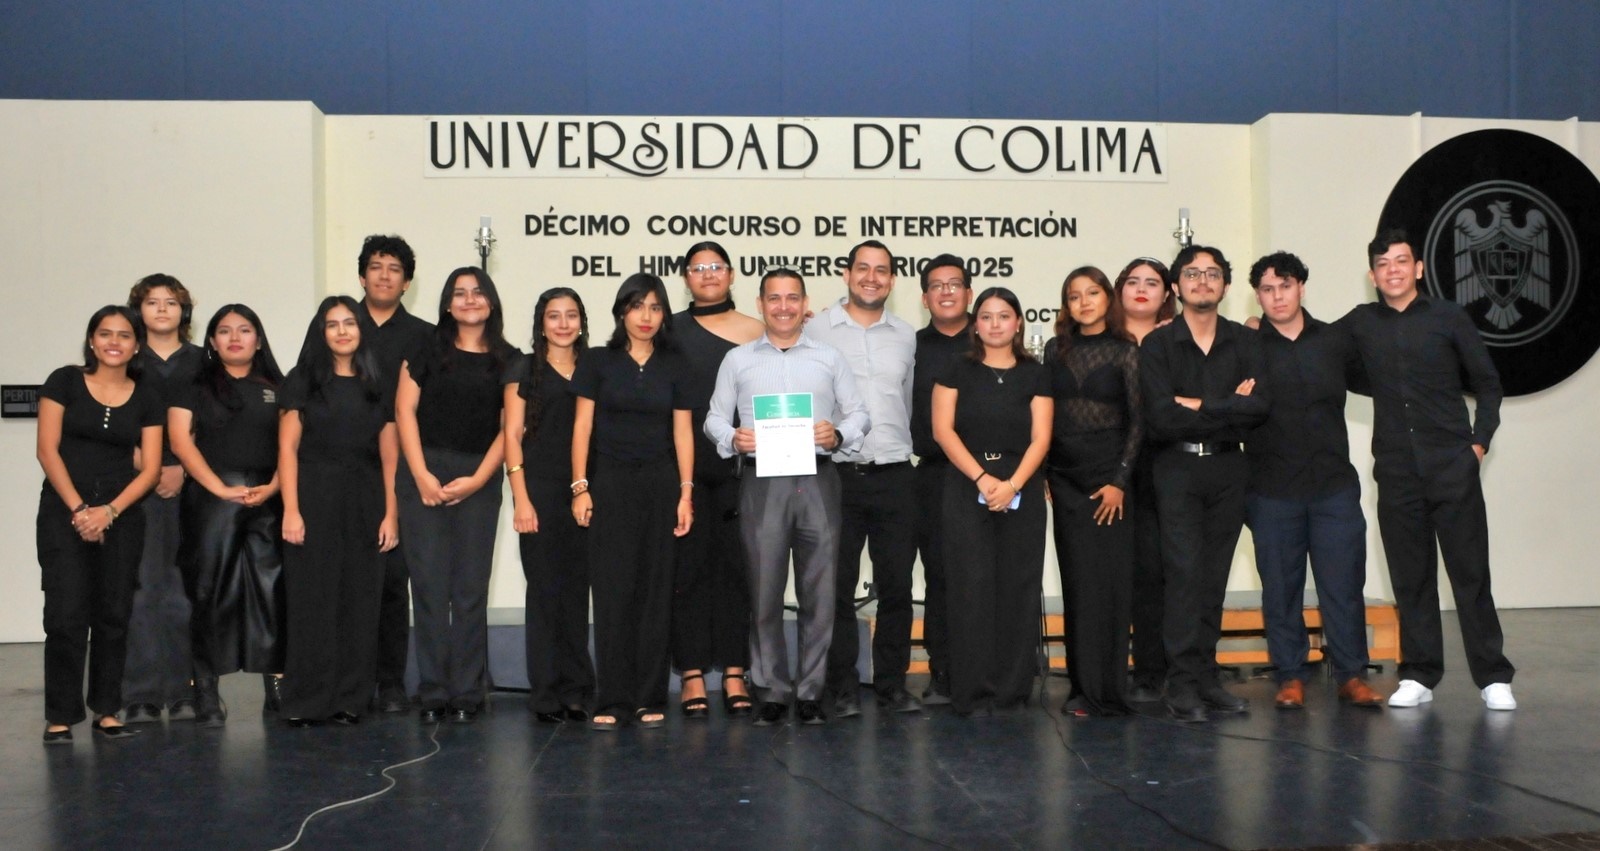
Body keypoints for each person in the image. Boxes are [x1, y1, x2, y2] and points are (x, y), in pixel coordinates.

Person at [1341, 229, 1515, 711]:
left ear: (1417, 268)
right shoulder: (1361, 323)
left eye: (1401, 261)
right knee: (1410, 576)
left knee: (1470, 574)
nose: (1392, 269)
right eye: (1383, 263)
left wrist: (1477, 445)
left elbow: (1488, 384)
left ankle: (1493, 676)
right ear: (1372, 274)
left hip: (1451, 466)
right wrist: (1255, 325)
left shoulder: (1448, 317)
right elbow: (1310, 342)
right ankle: (1419, 674)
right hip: (1396, 470)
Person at [705, 269, 869, 726]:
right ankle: (773, 690)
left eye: (792, 298)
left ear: (804, 303)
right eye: (774, 298)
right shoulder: (737, 360)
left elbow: (860, 414)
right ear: (759, 304)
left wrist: (838, 433)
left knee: (821, 592)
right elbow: (714, 419)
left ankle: (812, 691)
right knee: (764, 592)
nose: (783, 306)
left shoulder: (829, 358)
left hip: (818, 479)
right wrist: (733, 438)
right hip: (762, 483)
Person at [1245, 252, 1385, 710]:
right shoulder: (1246, 347)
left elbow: (1384, 379)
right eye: (1267, 289)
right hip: (1271, 489)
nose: (1277, 296)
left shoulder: (1334, 341)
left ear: (1302, 287)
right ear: (1258, 296)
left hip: (1333, 488)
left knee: (1343, 585)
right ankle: (1290, 675)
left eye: (1285, 286)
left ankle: (1351, 674)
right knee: (1280, 588)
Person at [1140, 246, 1268, 722]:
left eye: (1212, 274)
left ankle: (1208, 677)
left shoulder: (1245, 342)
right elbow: (1159, 417)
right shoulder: (1157, 344)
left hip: (1228, 470)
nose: (1202, 281)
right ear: (1176, 286)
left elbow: (1258, 408)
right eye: (1191, 274)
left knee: (1214, 575)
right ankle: (1182, 683)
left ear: (1226, 287)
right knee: (1183, 575)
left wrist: (1194, 405)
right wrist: (1224, 405)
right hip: (1175, 470)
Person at [570, 273, 694, 731]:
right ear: (622, 310)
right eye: (638, 306)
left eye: (656, 307)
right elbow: (582, 428)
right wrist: (580, 487)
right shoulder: (598, 361)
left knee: (655, 593)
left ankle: (647, 697)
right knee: (612, 590)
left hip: (662, 486)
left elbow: (682, 431)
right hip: (611, 486)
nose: (646, 317)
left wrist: (686, 492)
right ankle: (614, 696)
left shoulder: (675, 363)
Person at [396, 266, 519, 724]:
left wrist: (482, 477)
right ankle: (432, 691)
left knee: (469, 589)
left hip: (480, 476)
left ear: (491, 301)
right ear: (447, 303)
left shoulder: (509, 358)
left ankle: (467, 691)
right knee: (428, 587)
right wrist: (422, 475)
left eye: (478, 292)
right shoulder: (425, 349)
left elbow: (511, 426)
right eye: (460, 293)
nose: (470, 300)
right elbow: (403, 412)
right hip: (422, 472)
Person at [36, 306, 164, 743]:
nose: (114, 341)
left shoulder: (147, 395)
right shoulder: (64, 381)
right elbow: (47, 451)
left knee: (114, 614)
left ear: (136, 344)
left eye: (124, 335)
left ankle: (108, 709)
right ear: (91, 340)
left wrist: (108, 511)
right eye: (105, 333)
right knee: (65, 614)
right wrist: (79, 510)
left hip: (122, 515)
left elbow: (149, 470)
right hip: (62, 512)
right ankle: (60, 715)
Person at [805, 239, 921, 718]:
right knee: (837, 588)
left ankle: (892, 685)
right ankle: (842, 688)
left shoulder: (907, 335)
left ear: (892, 281)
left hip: (896, 475)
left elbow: (908, 401)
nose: (871, 277)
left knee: (896, 587)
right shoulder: (817, 332)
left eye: (882, 271)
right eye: (863, 269)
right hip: (837, 477)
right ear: (847, 275)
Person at [278, 296, 401, 726]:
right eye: (333, 324)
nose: (343, 331)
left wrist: (391, 513)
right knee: (313, 599)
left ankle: (351, 698)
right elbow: (288, 449)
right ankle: (307, 699)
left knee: (359, 600)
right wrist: (290, 510)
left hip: (366, 500)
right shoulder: (302, 381)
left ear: (362, 331)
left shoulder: (376, 382)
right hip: (313, 497)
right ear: (321, 332)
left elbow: (389, 454)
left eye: (350, 323)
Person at [932, 287, 1051, 718]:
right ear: (974, 323)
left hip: (1022, 486)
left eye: (1004, 316)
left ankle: (1012, 689)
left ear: (1018, 322)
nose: (995, 324)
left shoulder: (1036, 373)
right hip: (967, 486)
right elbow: (944, 431)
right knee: (969, 588)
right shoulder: (955, 369)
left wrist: (1013, 484)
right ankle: (972, 690)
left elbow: (1042, 437)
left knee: (1018, 588)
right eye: (986, 316)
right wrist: (983, 478)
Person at [170, 304, 286, 727]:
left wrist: (275, 485)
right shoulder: (193, 384)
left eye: (244, 329)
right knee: (207, 590)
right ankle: (204, 690)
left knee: (274, 592)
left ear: (259, 337)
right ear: (212, 340)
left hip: (270, 496)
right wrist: (217, 487)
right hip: (211, 496)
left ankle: (277, 688)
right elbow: (181, 443)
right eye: (224, 331)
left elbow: (293, 445)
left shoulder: (279, 385)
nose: (235, 337)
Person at [668, 243, 763, 719]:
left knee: (736, 570)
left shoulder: (756, 330)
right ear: (685, 277)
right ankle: (689, 674)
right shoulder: (668, 330)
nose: (708, 274)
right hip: (681, 471)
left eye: (716, 267)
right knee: (685, 572)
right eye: (698, 268)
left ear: (731, 274)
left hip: (741, 467)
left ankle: (733, 669)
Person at [1045, 267, 1142, 717]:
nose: (1083, 302)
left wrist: (1120, 481)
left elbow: (1139, 423)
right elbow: (1042, 418)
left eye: (1092, 293)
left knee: (1111, 586)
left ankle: (1110, 687)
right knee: (1078, 586)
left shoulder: (1126, 351)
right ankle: (1082, 689)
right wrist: (1045, 474)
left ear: (1108, 298)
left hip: (1111, 484)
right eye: (1074, 295)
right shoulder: (1054, 350)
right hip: (1064, 483)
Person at [503, 287, 597, 724]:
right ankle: (545, 695)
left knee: (577, 593)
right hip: (537, 490)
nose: (563, 324)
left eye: (571, 315)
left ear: (582, 321)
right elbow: (511, 436)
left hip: (584, 491)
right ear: (541, 322)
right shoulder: (524, 368)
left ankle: (577, 691)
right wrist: (520, 498)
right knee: (544, 593)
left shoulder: (593, 367)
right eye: (554, 316)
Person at [353, 235, 433, 714]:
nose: (384, 275)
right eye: (376, 267)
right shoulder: (337, 324)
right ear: (362, 276)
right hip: (341, 466)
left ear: (407, 282)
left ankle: (389, 683)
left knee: (391, 577)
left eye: (394, 268)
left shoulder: (423, 335)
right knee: (346, 577)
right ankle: (350, 679)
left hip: (401, 468)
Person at [119, 274, 204, 724]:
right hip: (139, 486)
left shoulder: (202, 360)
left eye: (171, 302)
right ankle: (141, 694)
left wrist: (184, 469)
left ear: (184, 311)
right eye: (152, 302)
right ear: (139, 310)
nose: (162, 310)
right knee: (143, 588)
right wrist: (148, 467)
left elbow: (212, 422)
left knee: (184, 591)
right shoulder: (127, 360)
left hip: (192, 485)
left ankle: (185, 691)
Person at [910, 254, 973, 705]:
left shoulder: (992, 339)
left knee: (988, 574)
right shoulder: (911, 346)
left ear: (969, 293)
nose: (947, 291)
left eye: (955, 284)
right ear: (924, 297)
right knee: (940, 576)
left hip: (993, 478)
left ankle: (990, 670)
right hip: (933, 476)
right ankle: (943, 671)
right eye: (937, 285)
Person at [1113, 257, 1175, 703]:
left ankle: (1166, 667)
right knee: (1126, 571)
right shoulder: (1103, 339)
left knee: (1163, 568)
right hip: (1111, 467)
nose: (1141, 289)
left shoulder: (1180, 338)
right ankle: (1131, 669)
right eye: (1132, 282)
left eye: (1151, 283)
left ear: (1167, 293)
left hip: (1168, 463)